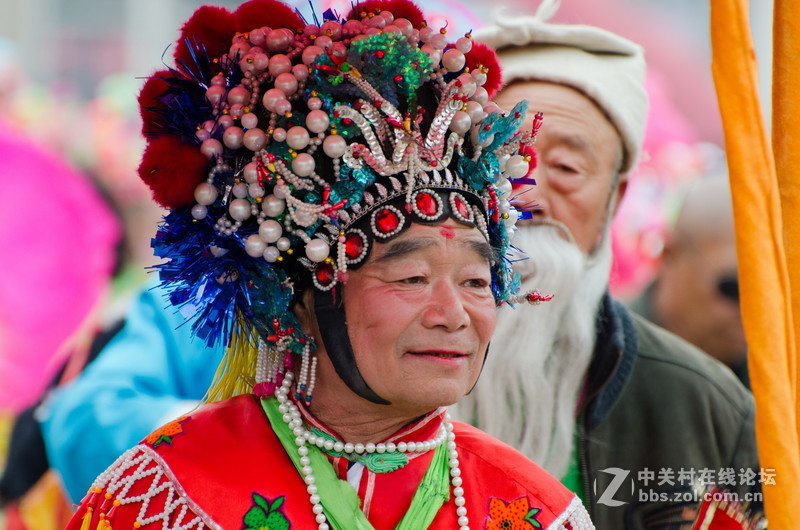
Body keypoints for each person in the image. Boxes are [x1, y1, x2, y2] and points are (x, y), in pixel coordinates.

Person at [66, 1, 595, 528]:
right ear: (301, 298)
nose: (453, 315)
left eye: (476, 282)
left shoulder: (536, 512)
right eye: (412, 277)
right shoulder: (166, 499)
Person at [449, 3, 761, 528]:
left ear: (615, 200)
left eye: (567, 168)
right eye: (504, 157)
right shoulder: (372, 366)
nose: (528, 195)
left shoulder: (706, 408)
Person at [628, 175, 749, 386]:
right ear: (671, 256)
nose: (752, 315)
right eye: (734, 288)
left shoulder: (774, 380)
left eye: (771, 298)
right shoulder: (603, 350)